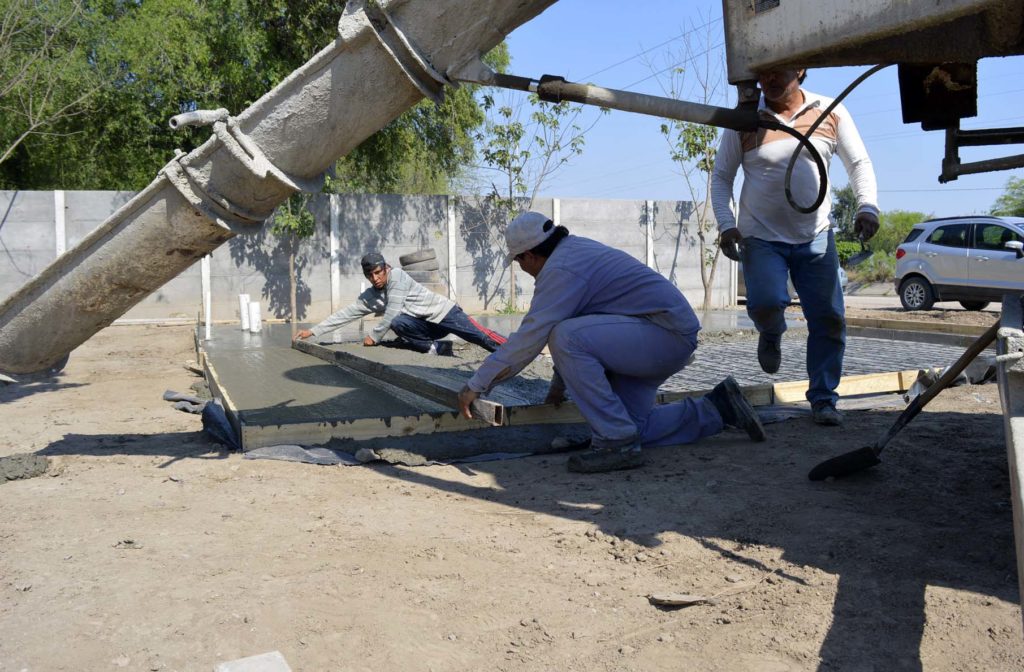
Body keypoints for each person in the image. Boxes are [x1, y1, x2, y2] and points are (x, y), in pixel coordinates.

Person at [456, 212, 766, 474]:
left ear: (530, 255)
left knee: (566, 338)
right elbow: (576, 320)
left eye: (519, 262)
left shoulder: (562, 269)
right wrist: (558, 387)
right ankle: (719, 408)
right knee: (631, 425)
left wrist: (477, 384)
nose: (521, 269)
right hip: (653, 337)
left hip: (662, 336)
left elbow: (533, 336)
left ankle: (615, 443)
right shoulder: (573, 254)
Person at [711, 68, 880, 427]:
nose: (768, 80)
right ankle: (771, 333)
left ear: (801, 69)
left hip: (816, 235)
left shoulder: (829, 110)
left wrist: (867, 205)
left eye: (779, 71)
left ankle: (823, 399)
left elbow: (858, 163)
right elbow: (721, 178)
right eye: (762, 73)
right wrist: (727, 225)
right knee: (767, 303)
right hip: (760, 236)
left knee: (829, 318)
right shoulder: (745, 118)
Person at [294, 252, 506, 354]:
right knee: (398, 323)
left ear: (385, 268)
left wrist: (374, 336)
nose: (376, 278)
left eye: (378, 272)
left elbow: (393, 308)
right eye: (370, 275)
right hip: (424, 326)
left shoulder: (397, 276)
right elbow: (346, 314)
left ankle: (515, 349)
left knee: (480, 336)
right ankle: (437, 348)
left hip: (444, 314)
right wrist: (313, 332)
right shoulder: (372, 295)